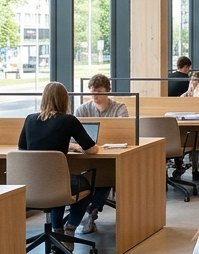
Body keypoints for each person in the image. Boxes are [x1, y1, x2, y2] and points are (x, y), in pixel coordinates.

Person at [19, 82, 102, 235]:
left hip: (32, 182)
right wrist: (76, 146)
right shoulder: (68, 120)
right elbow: (91, 149)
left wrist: (67, 145)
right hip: (56, 182)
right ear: (65, 100)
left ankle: (57, 231)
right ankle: (70, 229)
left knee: (58, 187)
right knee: (83, 185)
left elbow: (22, 149)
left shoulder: (29, 119)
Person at [72, 76, 125, 234]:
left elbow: (124, 132)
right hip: (86, 154)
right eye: (92, 92)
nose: (95, 96)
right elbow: (74, 136)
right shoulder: (82, 109)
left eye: (99, 92)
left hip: (110, 153)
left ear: (108, 91)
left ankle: (92, 210)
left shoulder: (119, 108)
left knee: (106, 173)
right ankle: (90, 208)